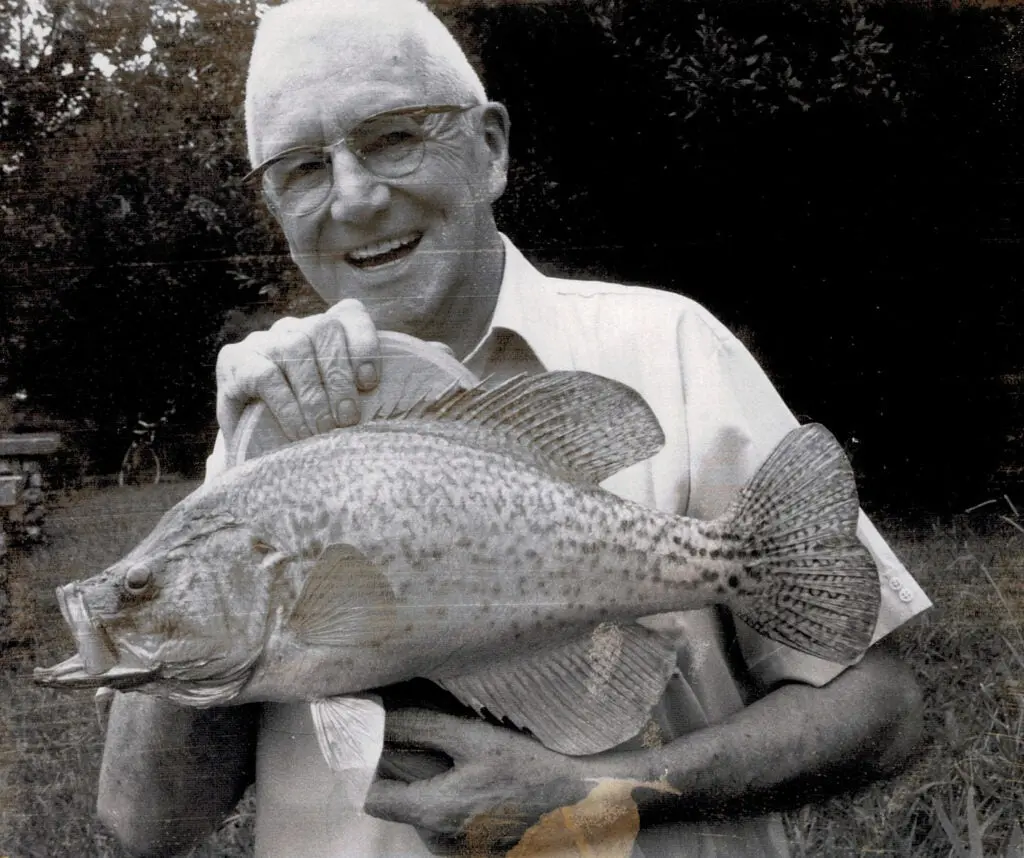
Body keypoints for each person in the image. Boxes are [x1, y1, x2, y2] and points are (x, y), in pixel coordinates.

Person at [96, 1, 930, 856]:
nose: (353, 195)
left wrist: (603, 800)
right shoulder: (264, 431)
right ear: (273, 201)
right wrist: (233, 471)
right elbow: (143, 825)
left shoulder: (668, 349)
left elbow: (883, 711)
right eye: (302, 167)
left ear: (490, 147)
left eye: (392, 137)